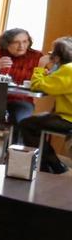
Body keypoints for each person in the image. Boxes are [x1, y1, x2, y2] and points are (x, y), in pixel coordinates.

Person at [18, 36, 72, 174]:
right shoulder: (66, 70)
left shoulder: (67, 70)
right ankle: (47, 165)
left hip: (68, 119)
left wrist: (40, 66)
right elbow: (56, 84)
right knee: (41, 120)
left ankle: (53, 164)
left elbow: (37, 86)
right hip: (65, 115)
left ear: (57, 57)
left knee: (27, 124)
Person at [0, 27, 44, 127]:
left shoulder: (37, 57)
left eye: (25, 41)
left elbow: (44, 79)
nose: (21, 46)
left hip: (22, 100)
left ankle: (13, 142)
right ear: (6, 43)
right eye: (16, 42)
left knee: (19, 121)